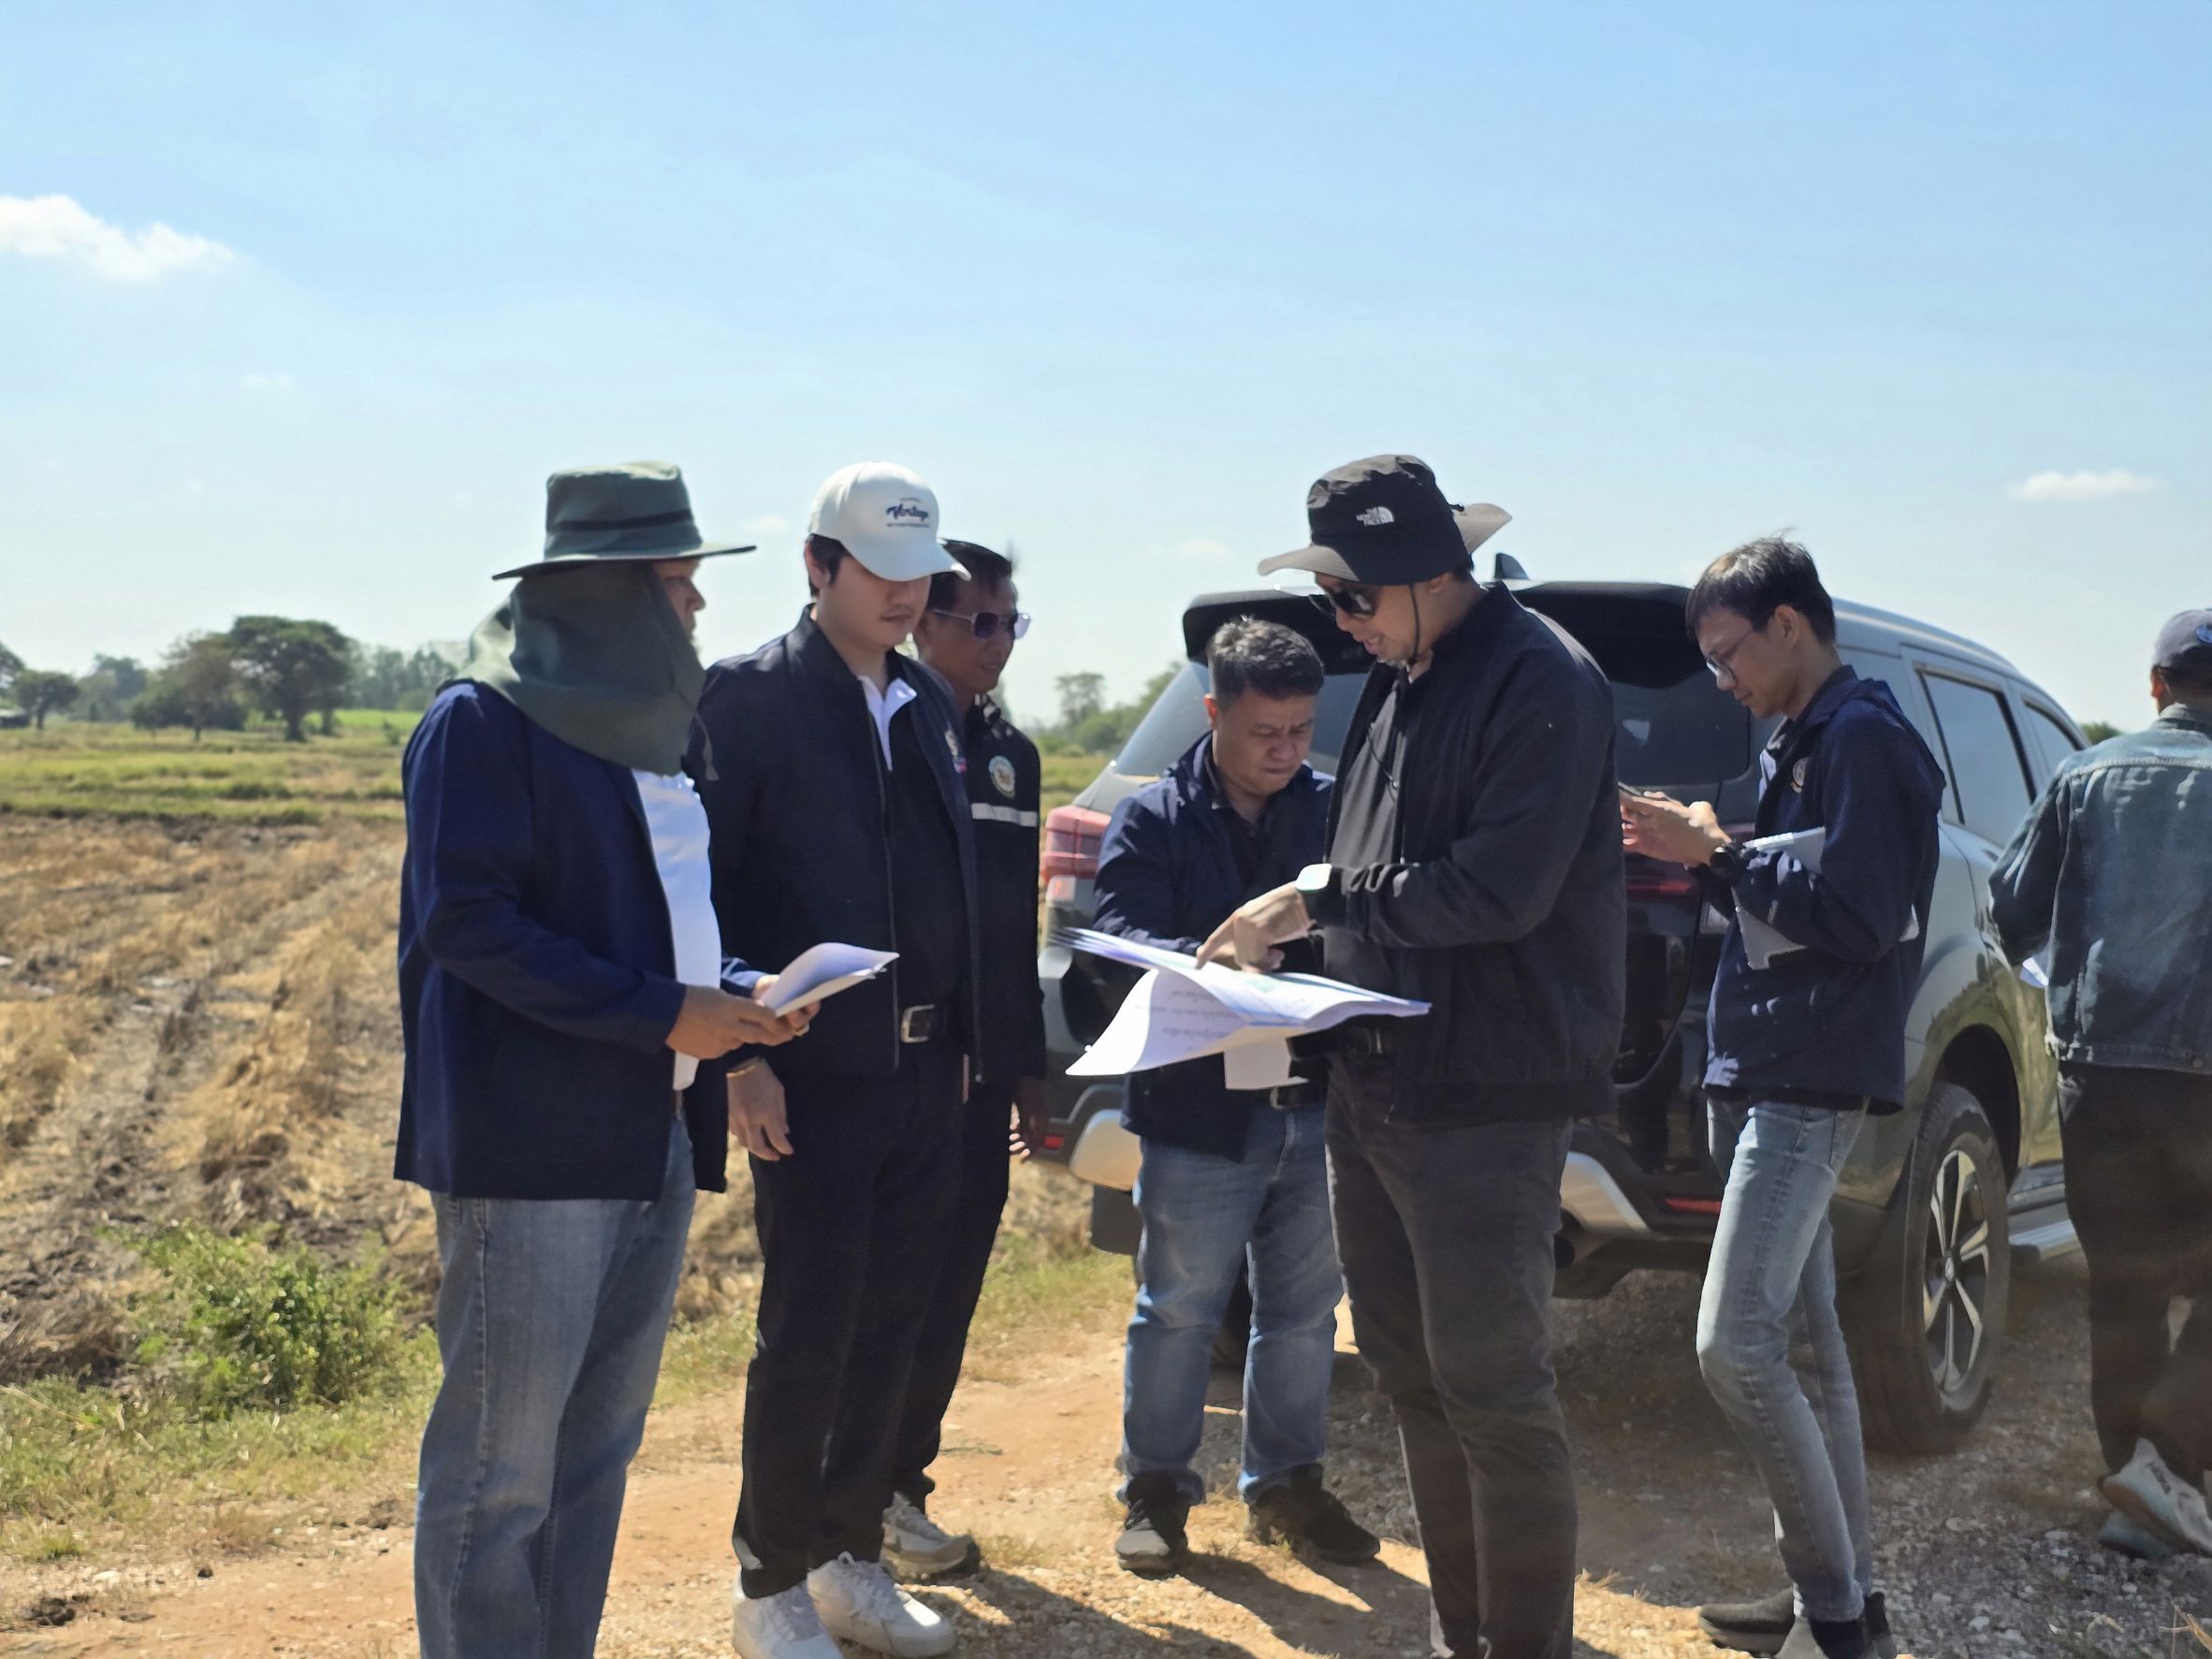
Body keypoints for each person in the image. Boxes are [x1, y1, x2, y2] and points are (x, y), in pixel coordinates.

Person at [1202, 455, 1624, 1659]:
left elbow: (1497, 889)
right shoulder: (1400, 675)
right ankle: (1464, 1631)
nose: (1341, 621)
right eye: (1330, 597)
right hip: (1374, 1080)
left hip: (1484, 1094)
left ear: (1429, 573)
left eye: (1352, 596)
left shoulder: (1543, 678)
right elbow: (1372, 866)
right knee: (1407, 1373)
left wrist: (1314, 901)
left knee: (1494, 1391)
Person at [398, 462, 808, 1659]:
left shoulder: (656, 733)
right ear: (604, 595)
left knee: (593, 1457)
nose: (697, 608)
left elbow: (661, 918)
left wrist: (736, 996)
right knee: (501, 1471)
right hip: (532, 1151)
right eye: (677, 585)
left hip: (650, 1135)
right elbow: (467, 924)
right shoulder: (481, 724)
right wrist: (663, 1013)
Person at [1620, 538, 1942, 1659]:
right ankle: (1839, 1603)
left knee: (1735, 1344)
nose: (1722, 681)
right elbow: (1805, 883)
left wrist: (1714, 850)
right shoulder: (1802, 739)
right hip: (1761, 1067)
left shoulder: (1866, 740)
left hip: (1809, 1078)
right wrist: (1713, 847)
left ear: (1790, 625)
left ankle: (1837, 1620)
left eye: (1728, 656)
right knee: (1806, 1348)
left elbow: (1860, 912)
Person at [691, 461, 980, 1659]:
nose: (906, 595)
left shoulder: (926, 703)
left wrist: (966, 1048)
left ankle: (848, 1557)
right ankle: (769, 1580)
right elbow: (702, 890)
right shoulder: (747, 698)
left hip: (925, 1076)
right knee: (808, 1330)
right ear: (817, 565)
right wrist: (737, 1061)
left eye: (921, 574)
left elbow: (952, 891)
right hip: (805, 1073)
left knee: (893, 1325)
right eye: (881, 571)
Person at [1093, 618, 1378, 1578]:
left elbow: (1370, 923)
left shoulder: (1336, 811)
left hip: (1316, 1101)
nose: (1286, 750)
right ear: (1213, 711)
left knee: (1305, 1311)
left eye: (1301, 730)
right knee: (1178, 1307)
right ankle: (1157, 1490)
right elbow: (1120, 940)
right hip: (1197, 1110)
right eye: (1265, 732)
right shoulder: (1152, 818)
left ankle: (1287, 1485)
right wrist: (1214, 959)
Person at [1988, 607, 2212, 1561]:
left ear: (2156, 686)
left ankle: (2138, 1492)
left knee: (2122, 1289)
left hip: (2101, 1079)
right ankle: (2167, 1465)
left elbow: (2009, 910)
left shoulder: (2084, 775)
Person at [887, 541, 1049, 1578]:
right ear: (921, 623)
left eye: (1008, 623)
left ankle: (902, 1488)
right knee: (887, 1289)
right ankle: (842, 1499)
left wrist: (1024, 1070)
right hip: (899, 1069)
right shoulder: (885, 733)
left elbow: (1011, 929)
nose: (995, 642)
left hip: (982, 1079)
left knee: (949, 1288)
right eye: (976, 622)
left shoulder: (1009, 758)